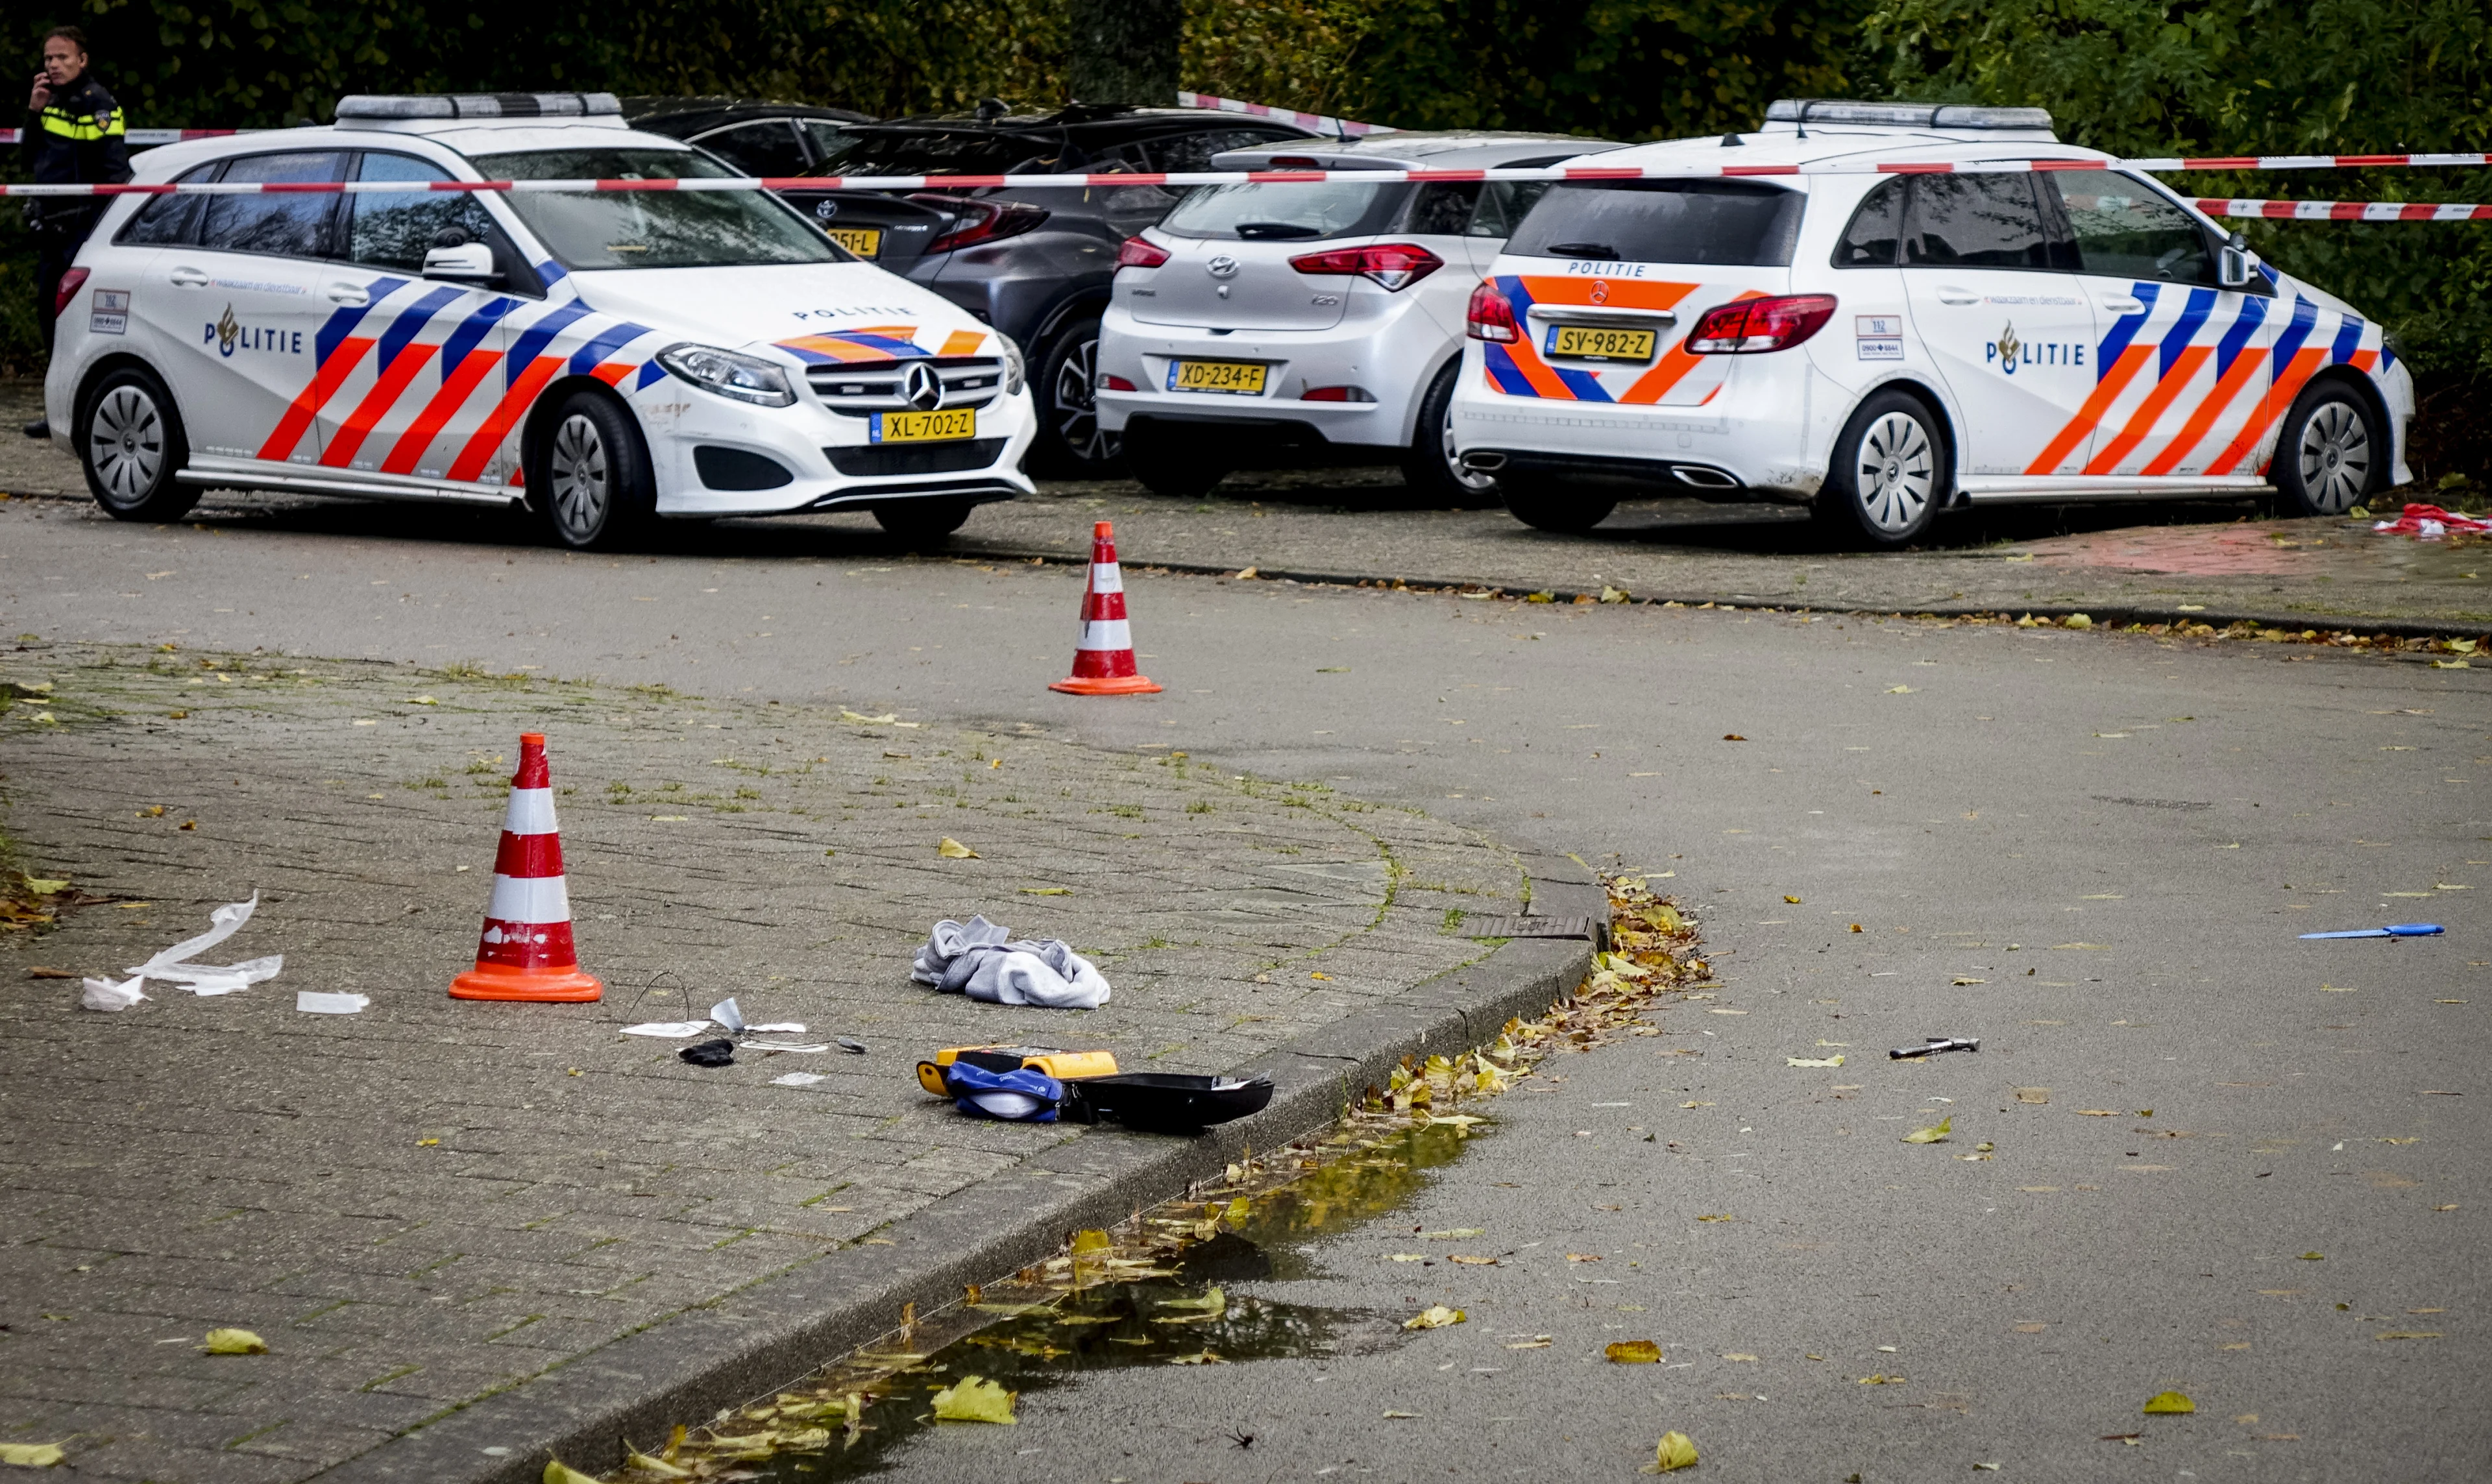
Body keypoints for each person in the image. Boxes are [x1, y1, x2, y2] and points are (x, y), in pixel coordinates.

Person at [21, 25, 129, 438]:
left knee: (74, 325)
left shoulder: (95, 102)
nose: (54, 65)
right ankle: (57, 412)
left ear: (82, 60)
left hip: (82, 230)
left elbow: (112, 169)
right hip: (51, 229)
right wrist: (34, 110)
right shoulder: (50, 100)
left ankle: (73, 415)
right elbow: (29, 156)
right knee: (50, 321)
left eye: (63, 58)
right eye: (49, 58)